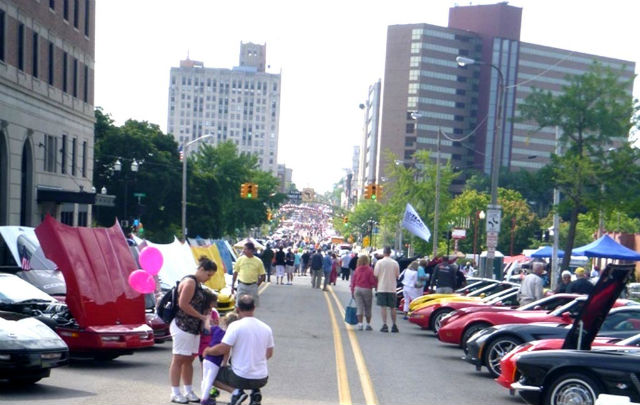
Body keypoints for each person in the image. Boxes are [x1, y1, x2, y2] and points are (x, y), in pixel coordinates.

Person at [206, 295, 274, 405]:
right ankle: (255, 392)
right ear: (254, 308)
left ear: (237, 309)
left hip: (240, 377)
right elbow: (269, 353)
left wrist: (208, 351)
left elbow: (223, 348)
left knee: (211, 374)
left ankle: (237, 393)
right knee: (246, 370)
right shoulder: (266, 328)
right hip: (261, 378)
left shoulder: (235, 326)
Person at [169, 257, 218, 404]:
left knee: (189, 359)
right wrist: (202, 317)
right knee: (178, 359)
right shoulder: (190, 282)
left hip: (193, 328)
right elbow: (183, 304)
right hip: (182, 325)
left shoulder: (197, 284)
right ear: (201, 269)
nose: (209, 279)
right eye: (208, 275)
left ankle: (188, 390)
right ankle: (175, 392)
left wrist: (206, 318)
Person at [200, 311, 239, 405]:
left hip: (207, 358)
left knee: (205, 379)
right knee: (210, 380)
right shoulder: (228, 336)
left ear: (225, 321)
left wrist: (207, 319)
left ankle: (204, 397)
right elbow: (226, 351)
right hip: (215, 361)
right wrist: (224, 363)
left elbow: (207, 329)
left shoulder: (216, 329)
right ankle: (204, 400)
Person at [373, 246, 400, 333]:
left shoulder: (379, 262)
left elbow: (376, 274)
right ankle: (394, 325)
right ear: (390, 253)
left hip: (382, 287)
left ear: (384, 253)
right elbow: (397, 275)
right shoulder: (395, 263)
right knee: (393, 307)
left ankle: (384, 324)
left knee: (383, 307)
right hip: (392, 287)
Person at [232, 242, 266, 306]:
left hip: (252, 286)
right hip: (242, 285)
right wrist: (232, 285)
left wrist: (257, 285)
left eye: (245, 249)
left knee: (252, 305)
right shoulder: (240, 259)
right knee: (238, 305)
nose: (243, 251)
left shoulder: (258, 261)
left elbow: (263, 275)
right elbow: (235, 272)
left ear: (251, 250)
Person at [350, 254, 377, 330]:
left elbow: (353, 281)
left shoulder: (357, 269)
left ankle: (360, 324)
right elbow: (372, 280)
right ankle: (368, 324)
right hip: (367, 289)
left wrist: (352, 291)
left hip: (357, 289)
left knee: (359, 307)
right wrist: (375, 285)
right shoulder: (370, 269)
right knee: (368, 307)